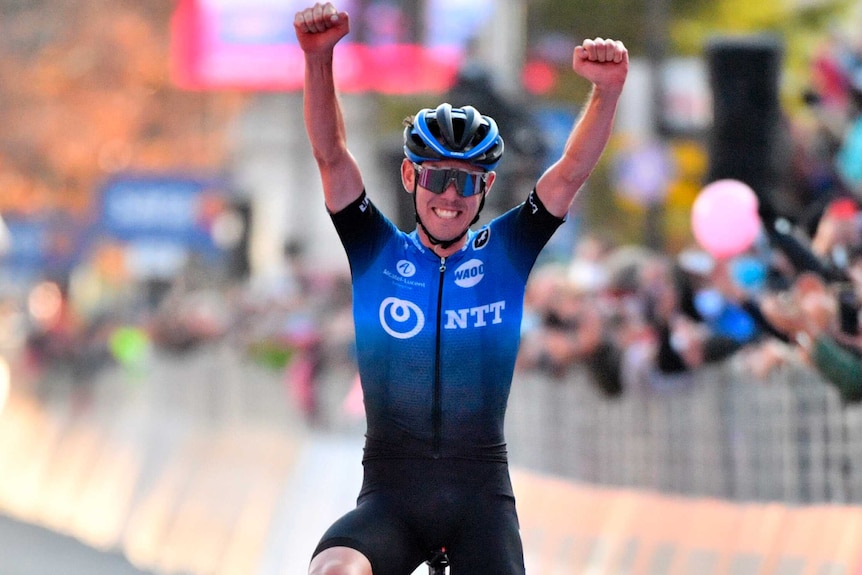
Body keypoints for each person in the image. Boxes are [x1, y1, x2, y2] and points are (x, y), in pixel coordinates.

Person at [294, 3, 628, 574]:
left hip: (481, 504)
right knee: (334, 571)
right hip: (390, 500)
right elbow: (331, 157)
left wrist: (607, 91)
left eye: (466, 183)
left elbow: (569, 172)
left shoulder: (507, 249)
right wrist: (319, 58)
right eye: (437, 177)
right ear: (410, 177)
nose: (449, 195)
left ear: (486, 188)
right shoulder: (376, 248)